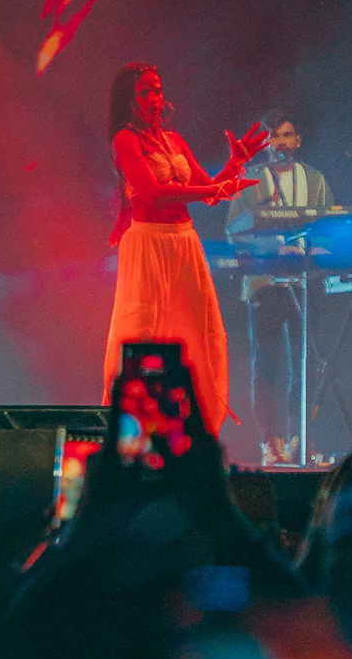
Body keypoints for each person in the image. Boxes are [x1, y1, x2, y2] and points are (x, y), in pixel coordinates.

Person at [102, 65, 263, 434]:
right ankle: (129, 430)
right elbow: (153, 194)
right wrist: (213, 190)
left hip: (185, 242)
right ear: (129, 98)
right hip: (148, 242)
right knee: (141, 331)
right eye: (144, 91)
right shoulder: (126, 140)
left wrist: (235, 163)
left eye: (157, 90)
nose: (154, 98)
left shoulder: (174, 140)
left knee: (202, 333)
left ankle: (198, 430)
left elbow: (211, 191)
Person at [226, 115, 340, 468]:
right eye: (273, 137)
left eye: (286, 135)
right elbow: (234, 230)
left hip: (308, 282)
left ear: (298, 140)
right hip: (266, 283)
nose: (280, 143)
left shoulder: (315, 179)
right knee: (269, 365)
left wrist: (321, 246)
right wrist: (274, 247)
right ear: (266, 144)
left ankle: (304, 438)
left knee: (311, 361)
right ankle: (271, 441)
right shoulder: (251, 179)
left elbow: (329, 223)